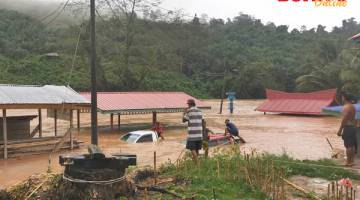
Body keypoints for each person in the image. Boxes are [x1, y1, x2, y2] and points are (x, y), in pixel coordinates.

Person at [337, 93, 357, 167]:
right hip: (353, 127)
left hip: (348, 127)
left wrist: (340, 129)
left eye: (342, 97)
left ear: (344, 98)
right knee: (351, 145)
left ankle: (348, 162)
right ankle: (351, 161)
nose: (341, 99)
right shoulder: (352, 106)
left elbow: (344, 119)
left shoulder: (346, 107)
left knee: (348, 145)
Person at [183, 99, 203, 164]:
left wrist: (184, 112)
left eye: (188, 104)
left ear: (190, 104)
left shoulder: (189, 111)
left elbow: (183, 120)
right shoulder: (200, 110)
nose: (187, 105)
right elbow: (203, 121)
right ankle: (195, 163)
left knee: (192, 149)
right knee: (197, 149)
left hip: (192, 134)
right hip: (199, 133)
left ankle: (198, 164)